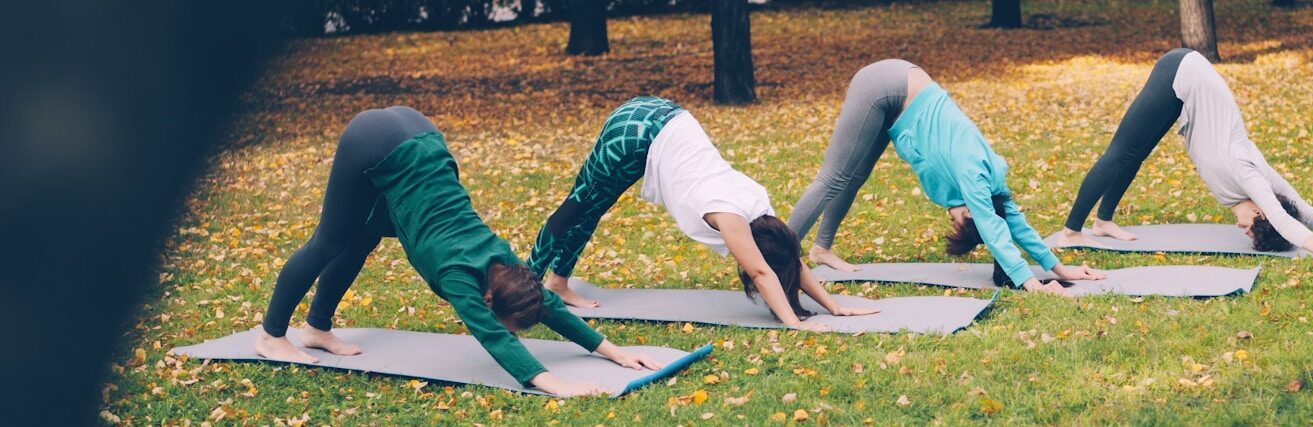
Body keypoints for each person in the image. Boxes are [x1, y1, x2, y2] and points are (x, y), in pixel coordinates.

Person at [256, 106, 659, 397]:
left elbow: (548, 304)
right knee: (329, 242)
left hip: (422, 135)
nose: (507, 330)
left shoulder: (506, 264)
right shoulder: (458, 275)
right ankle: (272, 334)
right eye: (507, 322)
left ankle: (316, 329)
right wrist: (556, 384)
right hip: (375, 140)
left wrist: (615, 353)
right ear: (487, 300)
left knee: (362, 237)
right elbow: (494, 338)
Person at [529, 96, 880, 331]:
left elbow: (790, 258)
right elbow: (761, 271)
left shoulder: (760, 207)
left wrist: (834, 307)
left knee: (590, 208)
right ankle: (523, 286)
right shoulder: (730, 215)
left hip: (665, 117)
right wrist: (794, 323)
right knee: (577, 209)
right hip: (635, 132)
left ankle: (558, 283)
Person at [1055, 48, 1313, 263]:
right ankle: (1071, 231)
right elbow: (1288, 222)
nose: (1242, 229)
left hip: (1190, 88)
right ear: (1261, 211)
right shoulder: (1246, 174)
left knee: (1137, 153)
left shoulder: (1258, 177)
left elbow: (1306, 211)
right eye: (1253, 228)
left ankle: (1103, 222)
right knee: (1121, 152)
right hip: (1181, 69)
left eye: (1249, 236)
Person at [788, 59, 1104, 292]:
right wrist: (1033, 284)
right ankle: (774, 257)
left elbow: (1015, 224)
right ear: (970, 213)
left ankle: (822, 249)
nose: (952, 219)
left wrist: (1062, 270)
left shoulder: (994, 179)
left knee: (854, 177)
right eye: (959, 222)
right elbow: (995, 231)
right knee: (833, 178)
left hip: (903, 96)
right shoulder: (973, 178)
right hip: (886, 85)